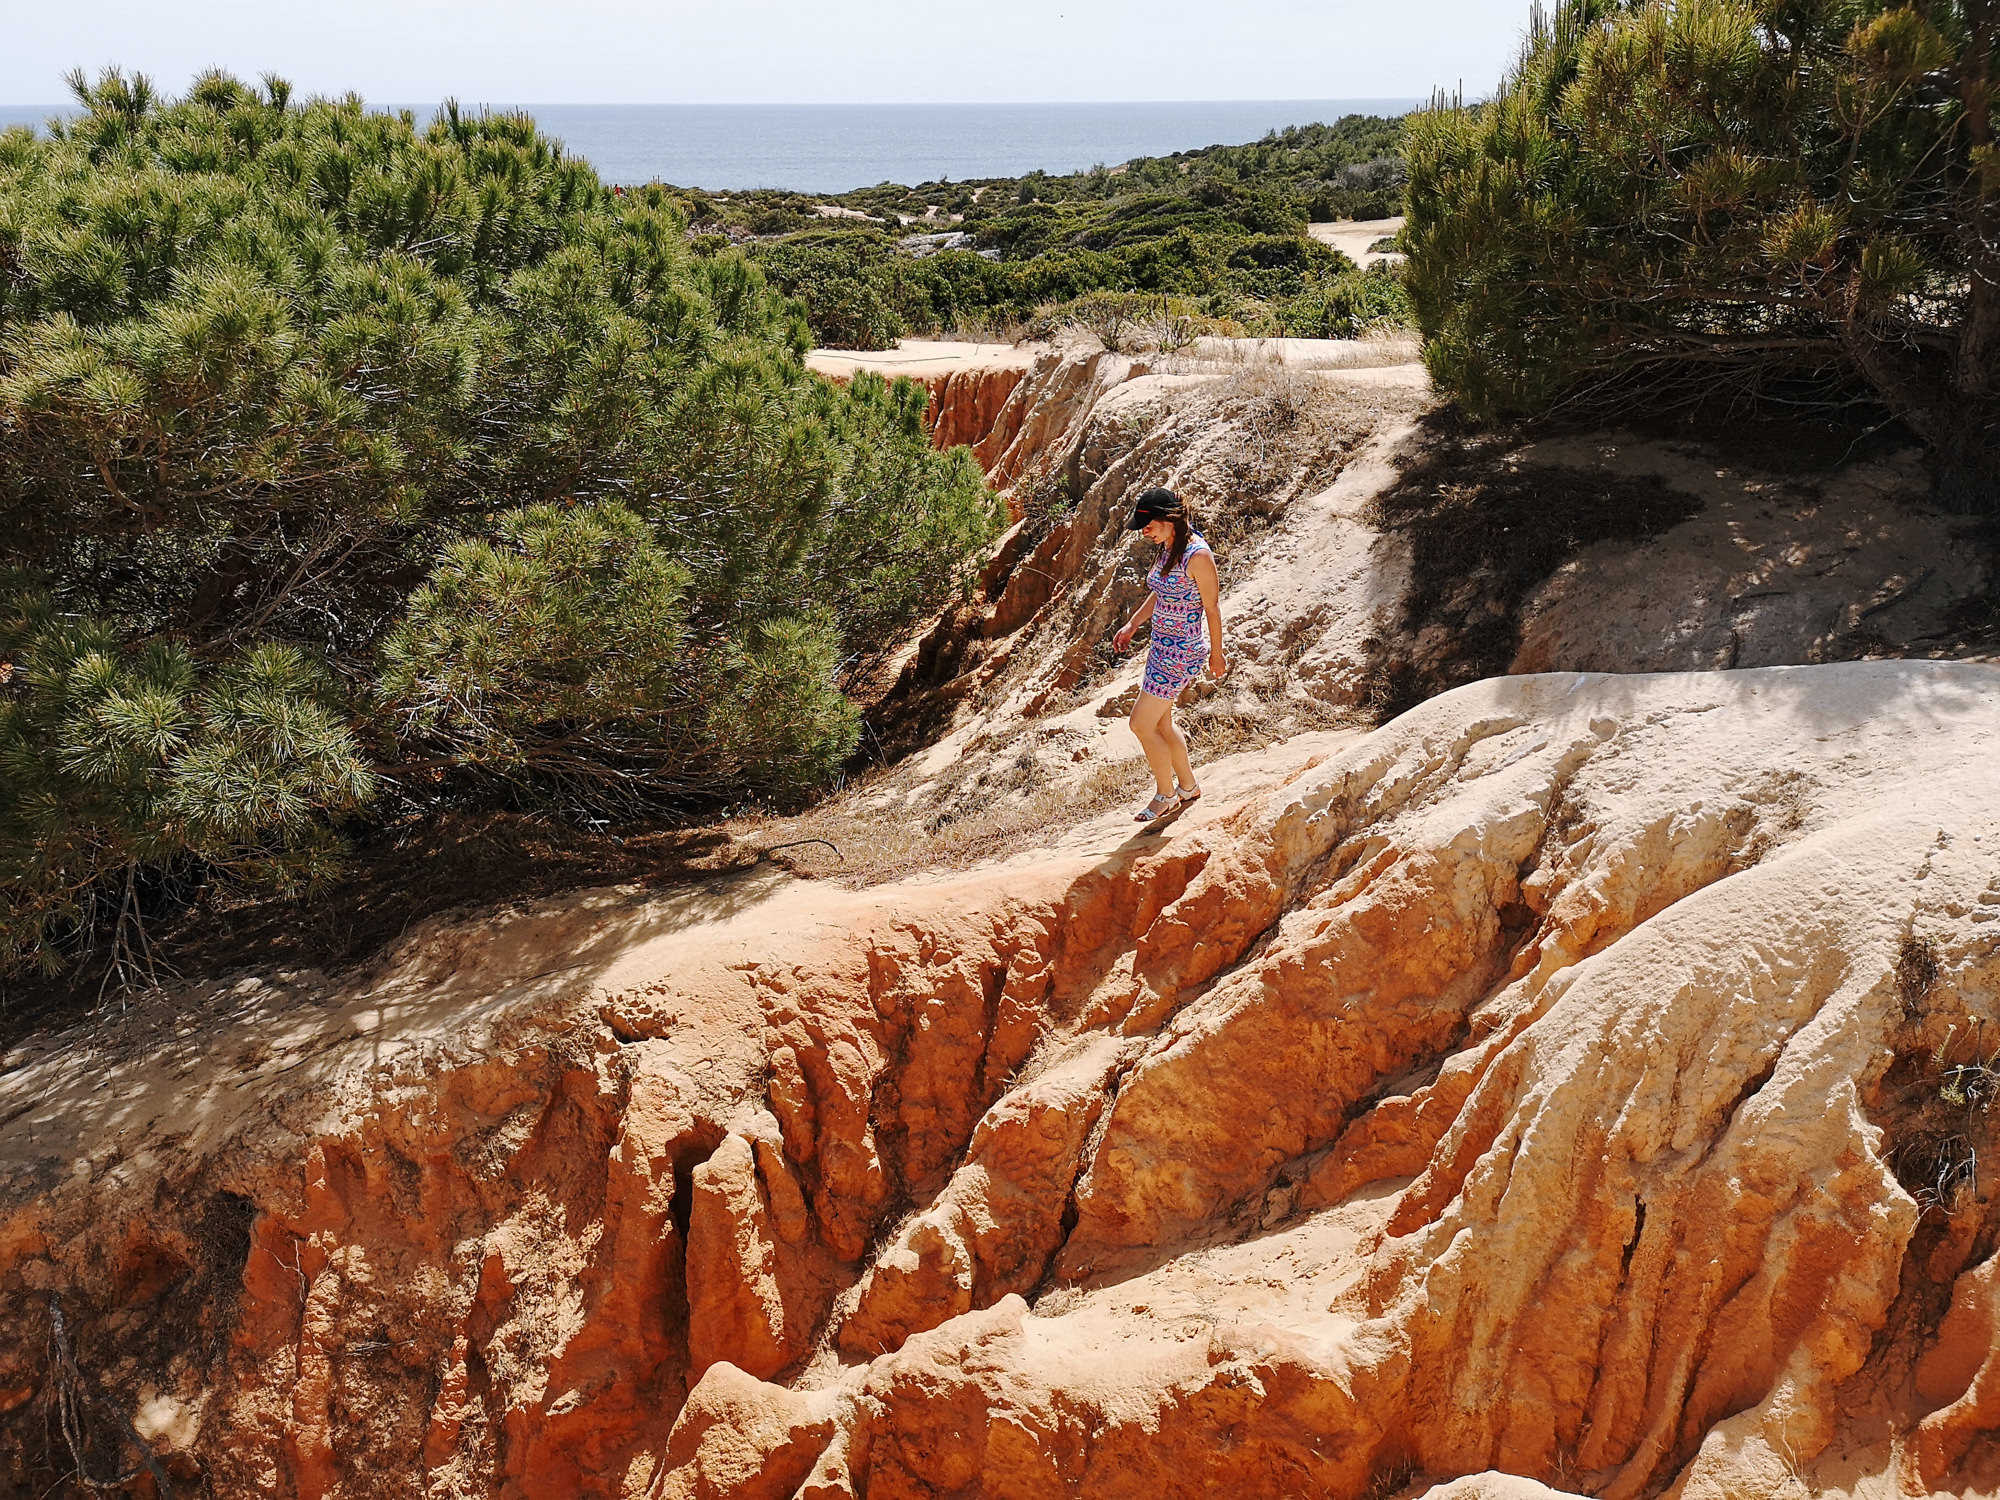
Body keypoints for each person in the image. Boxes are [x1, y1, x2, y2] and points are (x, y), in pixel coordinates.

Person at [1112, 487, 1226, 821]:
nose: (1143, 532)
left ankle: (1165, 794)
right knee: (1161, 723)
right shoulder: (1168, 548)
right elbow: (1161, 593)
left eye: (1147, 526)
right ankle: (1187, 787)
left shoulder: (1197, 556)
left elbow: (1212, 607)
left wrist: (1216, 654)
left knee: (1140, 724)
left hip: (1181, 652)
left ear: (1169, 519)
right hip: (1161, 647)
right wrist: (1133, 624)